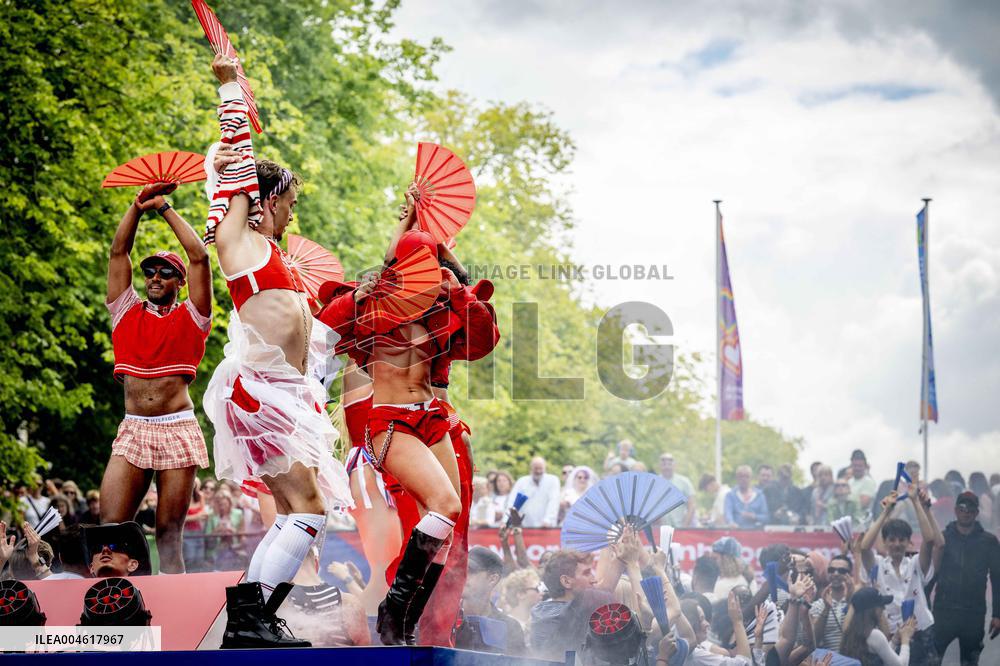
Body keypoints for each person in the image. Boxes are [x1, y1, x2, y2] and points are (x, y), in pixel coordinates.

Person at [201, 54, 352, 649]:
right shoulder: (238, 239)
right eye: (288, 198)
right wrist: (230, 87)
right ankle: (252, 618)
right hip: (265, 395)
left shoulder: (271, 252)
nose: (295, 208)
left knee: (299, 511)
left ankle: (254, 615)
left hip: (282, 395)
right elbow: (234, 153)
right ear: (260, 199)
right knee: (309, 511)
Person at [319, 202, 498, 645]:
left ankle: (405, 616)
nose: (424, 271)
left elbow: (483, 339)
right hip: (390, 422)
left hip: (433, 420)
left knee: (448, 530)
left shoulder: (442, 310)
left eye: (429, 263)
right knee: (446, 507)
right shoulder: (376, 307)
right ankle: (395, 607)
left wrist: (454, 275)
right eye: (415, 263)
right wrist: (362, 291)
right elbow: (323, 332)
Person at [860, 488, 942, 665]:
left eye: (901, 540)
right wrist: (885, 512)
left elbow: (929, 540)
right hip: (889, 635)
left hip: (920, 633)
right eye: (892, 539)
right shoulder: (878, 565)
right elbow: (864, 547)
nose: (897, 544)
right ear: (885, 542)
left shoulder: (915, 564)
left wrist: (915, 502)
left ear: (909, 542)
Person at [932, 490, 1000, 664]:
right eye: (962, 508)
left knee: (970, 662)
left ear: (977, 513)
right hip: (943, 610)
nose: (966, 512)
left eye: (970, 509)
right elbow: (931, 574)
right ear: (955, 510)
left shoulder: (989, 541)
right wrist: (923, 608)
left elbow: (997, 578)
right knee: (932, 660)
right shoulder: (943, 538)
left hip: (973, 614)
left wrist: (998, 614)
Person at [529, 548, 624, 661]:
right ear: (566, 581)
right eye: (587, 573)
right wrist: (621, 559)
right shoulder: (558, 615)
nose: (593, 580)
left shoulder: (542, 611)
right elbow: (602, 592)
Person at [455, 547, 527, 655]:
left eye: (470, 571)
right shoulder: (445, 620)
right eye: (461, 569)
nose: (463, 575)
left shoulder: (510, 627)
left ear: (492, 579)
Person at [840, 587, 916, 666]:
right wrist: (905, 639)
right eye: (881, 605)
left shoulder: (851, 632)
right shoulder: (874, 635)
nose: (884, 608)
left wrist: (895, 640)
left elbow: (883, 655)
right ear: (872, 610)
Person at [809, 554, 853, 650]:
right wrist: (826, 609)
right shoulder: (818, 605)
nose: (836, 573)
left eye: (841, 571)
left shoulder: (857, 603)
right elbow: (814, 640)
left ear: (851, 575)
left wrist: (851, 601)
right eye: (831, 570)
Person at [508, 457, 561, 528]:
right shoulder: (522, 481)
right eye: (536, 468)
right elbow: (512, 501)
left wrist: (548, 520)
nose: (538, 471)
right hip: (525, 526)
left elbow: (554, 501)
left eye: (541, 468)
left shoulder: (553, 480)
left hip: (546, 526)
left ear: (545, 468)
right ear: (531, 468)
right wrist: (507, 521)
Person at [499, 567, 542, 636]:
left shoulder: (538, 625)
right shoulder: (504, 626)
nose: (541, 593)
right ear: (521, 594)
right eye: (537, 589)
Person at [660, 453, 696, 527]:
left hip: (679, 527)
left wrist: (685, 526)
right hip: (659, 529)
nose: (667, 467)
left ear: (674, 465)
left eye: (669, 464)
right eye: (664, 464)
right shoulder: (654, 482)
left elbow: (691, 505)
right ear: (660, 466)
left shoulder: (684, 482)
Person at [847, 449, 877, 519]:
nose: (857, 468)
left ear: (865, 466)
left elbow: (862, 504)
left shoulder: (869, 482)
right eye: (855, 465)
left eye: (860, 466)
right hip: (849, 519)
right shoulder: (849, 482)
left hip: (862, 522)